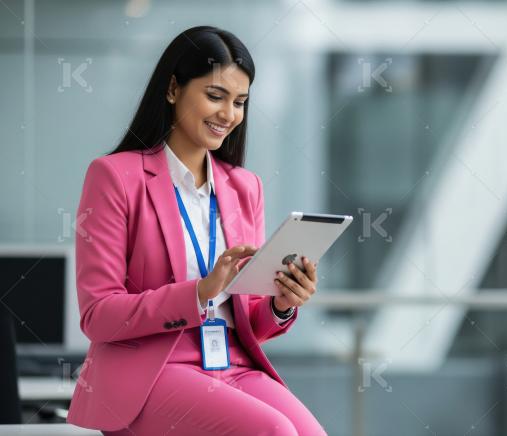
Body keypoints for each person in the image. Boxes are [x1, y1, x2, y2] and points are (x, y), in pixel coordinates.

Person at [66, 26, 326, 436]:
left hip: (231, 365)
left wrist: (281, 303)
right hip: (151, 373)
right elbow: (98, 316)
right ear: (173, 89)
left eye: (240, 102)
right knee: (274, 432)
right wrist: (200, 292)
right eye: (215, 96)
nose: (229, 115)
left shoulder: (245, 186)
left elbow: (250, 320)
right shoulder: (115, 176)